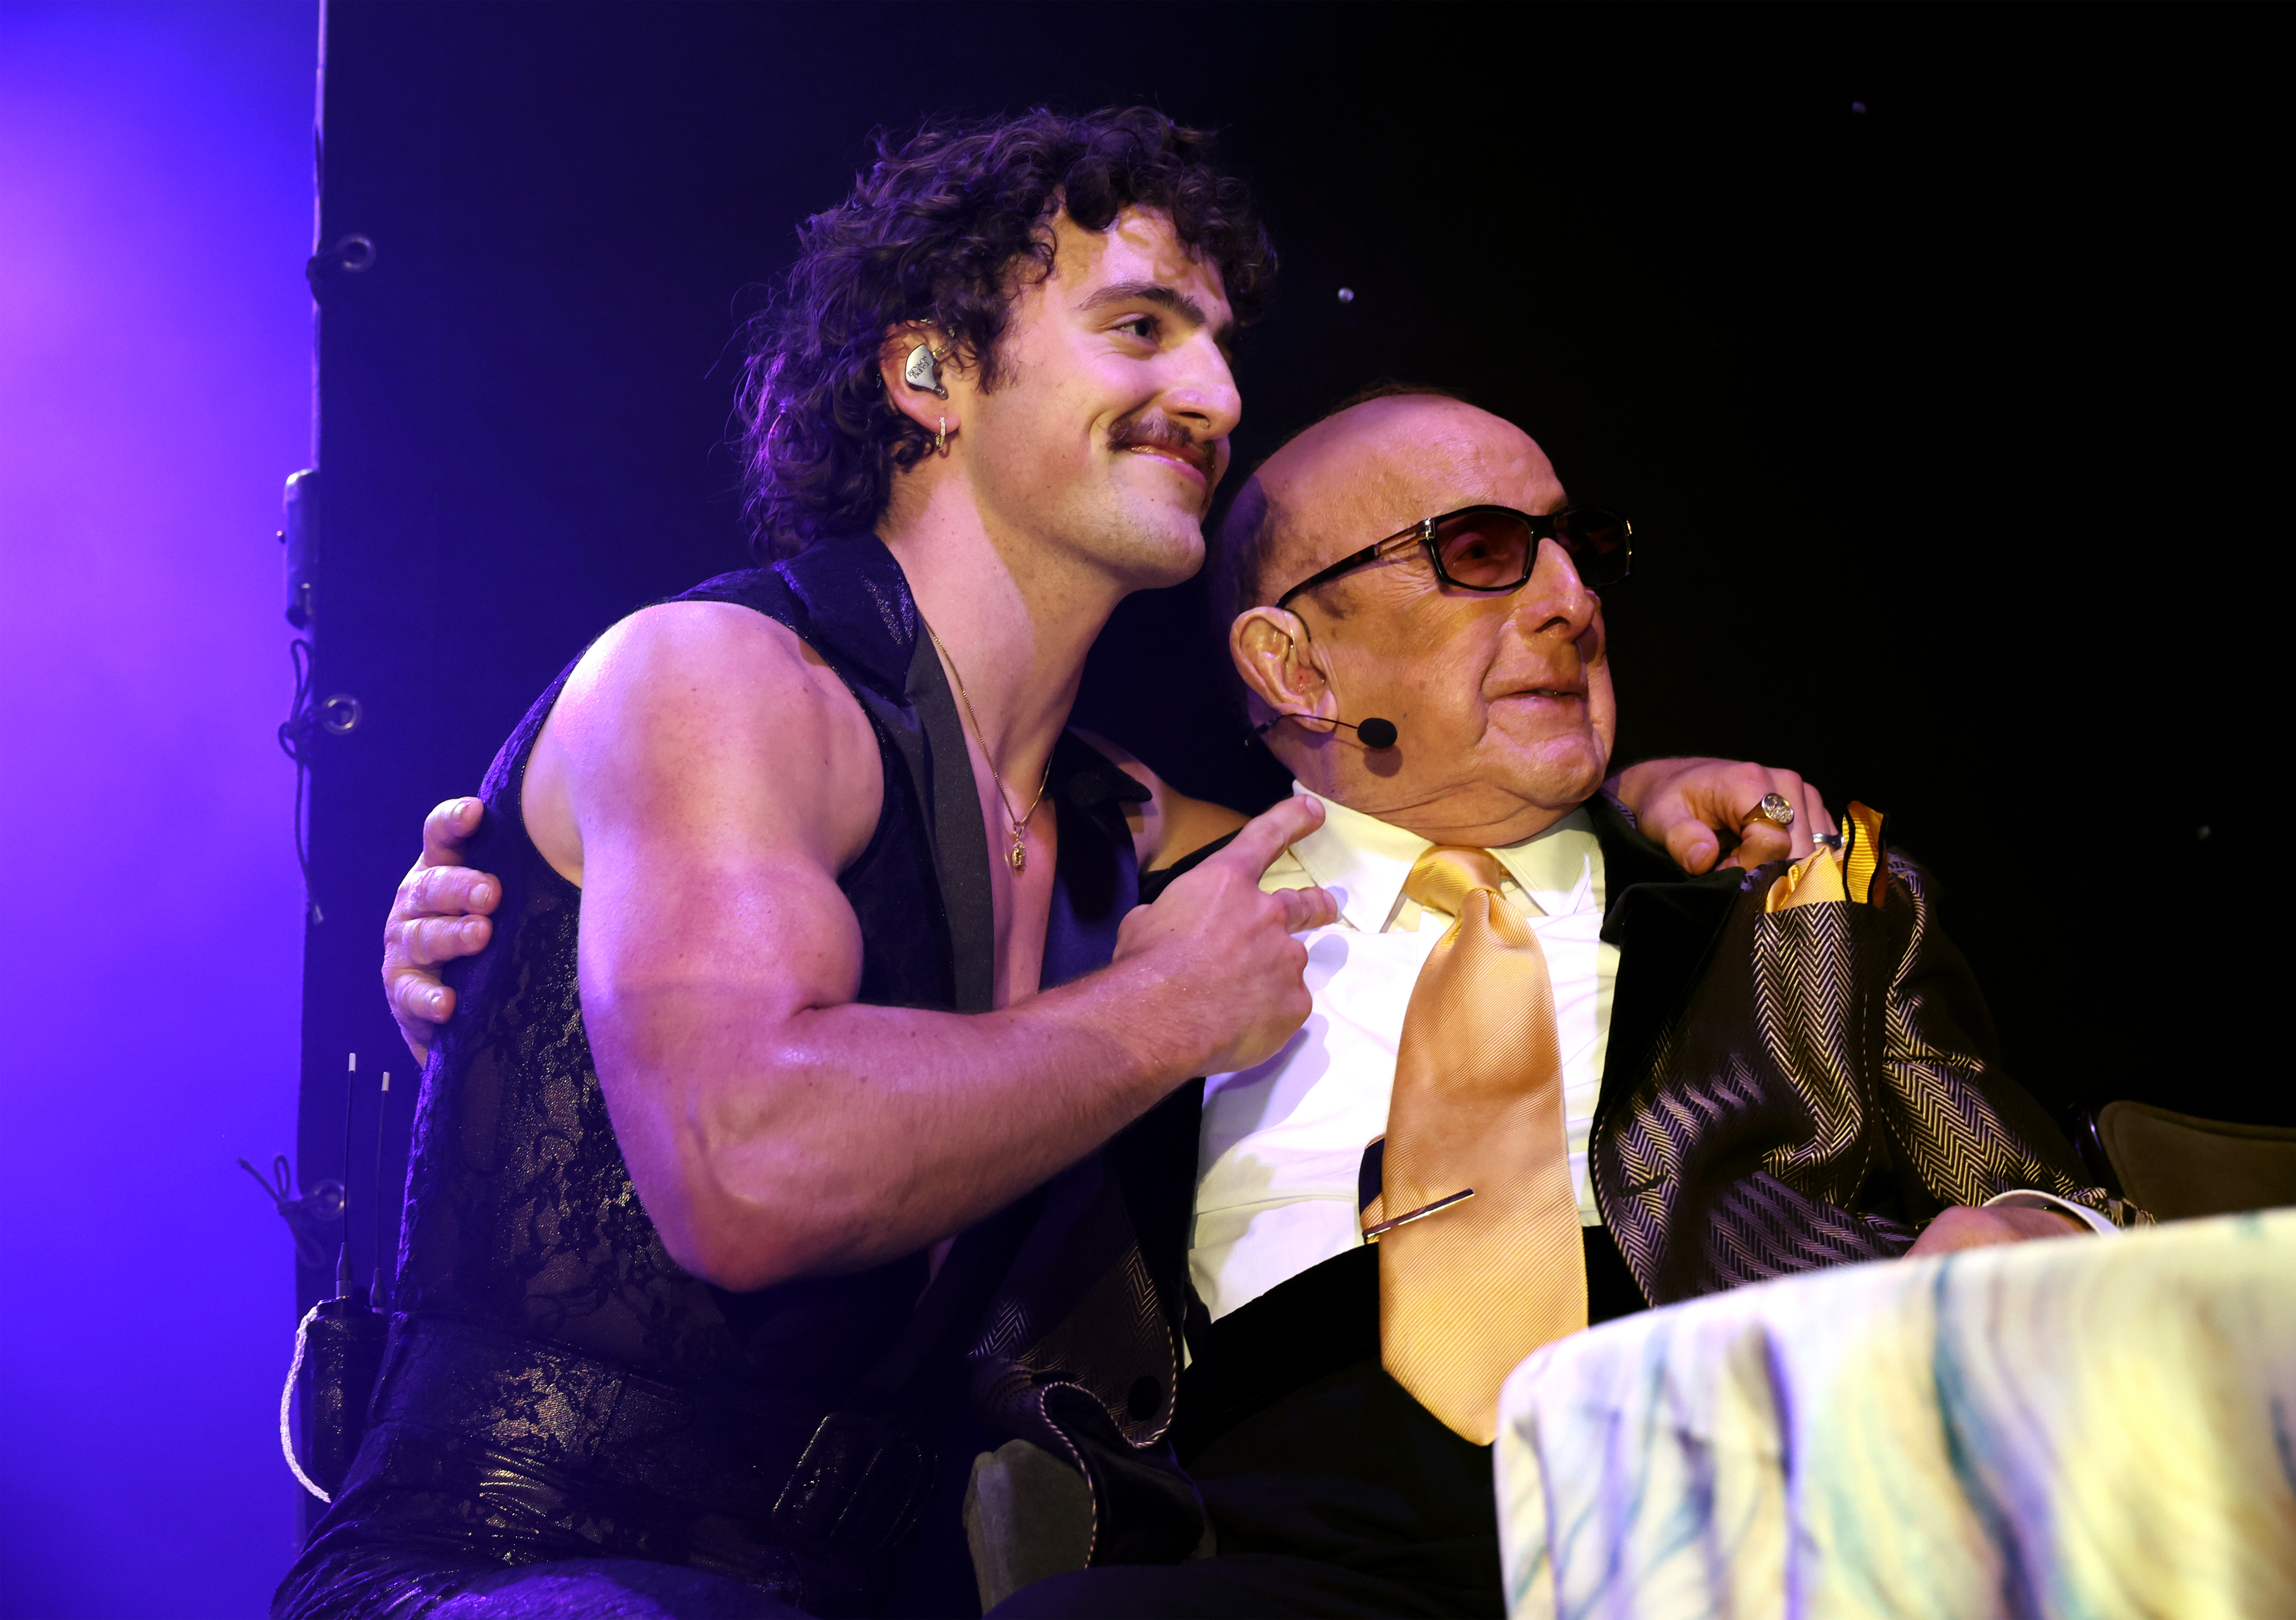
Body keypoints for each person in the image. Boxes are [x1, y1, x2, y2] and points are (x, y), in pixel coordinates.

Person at [298, 108, 1795, 1620]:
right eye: (1139, 327)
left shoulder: (1113, 824)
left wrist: (1640, 795)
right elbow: (750, 1168)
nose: (1211, 395)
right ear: (929, 373)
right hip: (504, 1572)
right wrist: (1160, 1017)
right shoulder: (721, 680)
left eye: (1218, 344)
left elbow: (1403, 814)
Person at [386, 389, 2135, 1618]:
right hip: (1279, 1537)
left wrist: (2034, 1221)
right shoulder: (1122, 928)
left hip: (1745, 1480)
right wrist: (528, 929)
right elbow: (836, 1026)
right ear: (1292, 663)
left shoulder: (1789, 893)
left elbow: (2058, 1188)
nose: (1572, 600)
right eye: (1479, 552)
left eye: (1577, 549)